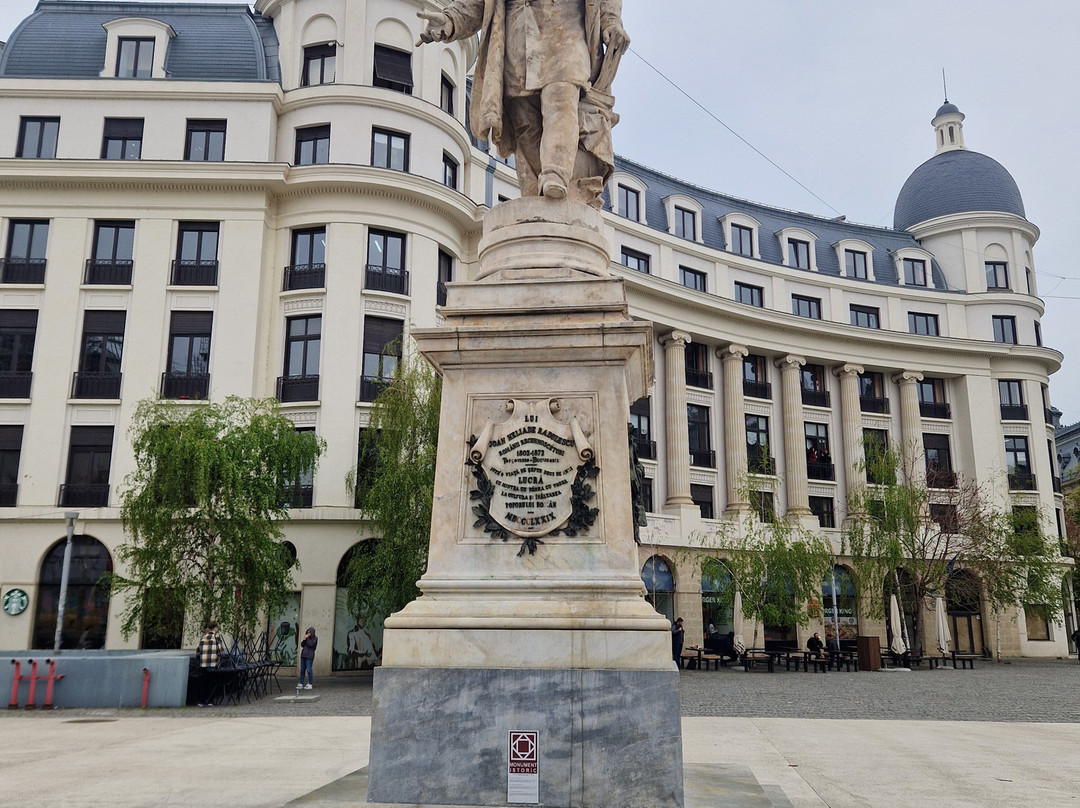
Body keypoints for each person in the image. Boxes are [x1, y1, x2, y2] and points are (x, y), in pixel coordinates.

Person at [417, 0, 629, 207]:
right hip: (516, 42)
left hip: (565, 33)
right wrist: (449, 20)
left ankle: (556, 173)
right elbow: (477, 3)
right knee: (524, 126)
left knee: (560, 101)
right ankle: (537, 192)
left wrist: (611, 21)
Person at [194, 621, 225, 707]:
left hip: (203, 664)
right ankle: (210, 701)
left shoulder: (203, 637)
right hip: (213, 664)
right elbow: (221, 652)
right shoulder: (217, 638)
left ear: (208, 628)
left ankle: (201, 701)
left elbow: (197, 652)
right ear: (215, 628)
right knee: (211, 683)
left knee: (203, 682)